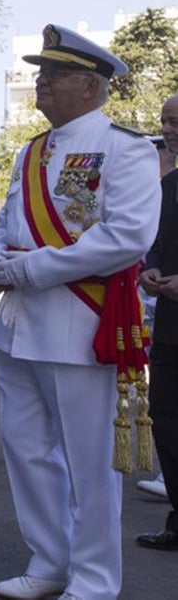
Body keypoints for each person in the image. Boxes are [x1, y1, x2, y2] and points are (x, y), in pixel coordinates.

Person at [0, 25, 159, 600]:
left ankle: (94, 580)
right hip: (18, 327)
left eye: (53, 75)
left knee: (89, 464)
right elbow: (9, 226)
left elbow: (127, 236)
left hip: (81, 326)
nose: (41, 83)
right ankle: (49, 563)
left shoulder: (125, 148)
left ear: (90, 85)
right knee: (27, 452)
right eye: (41, 73)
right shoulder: (31, 151)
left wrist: (29, 270)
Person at [134, 95, 178, 552]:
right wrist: (151, 269)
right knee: (166, 421)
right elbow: (161, 242)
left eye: (175, 121)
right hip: (169, 326)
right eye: (165, 121)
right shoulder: (171, 186)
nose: (168, 128)